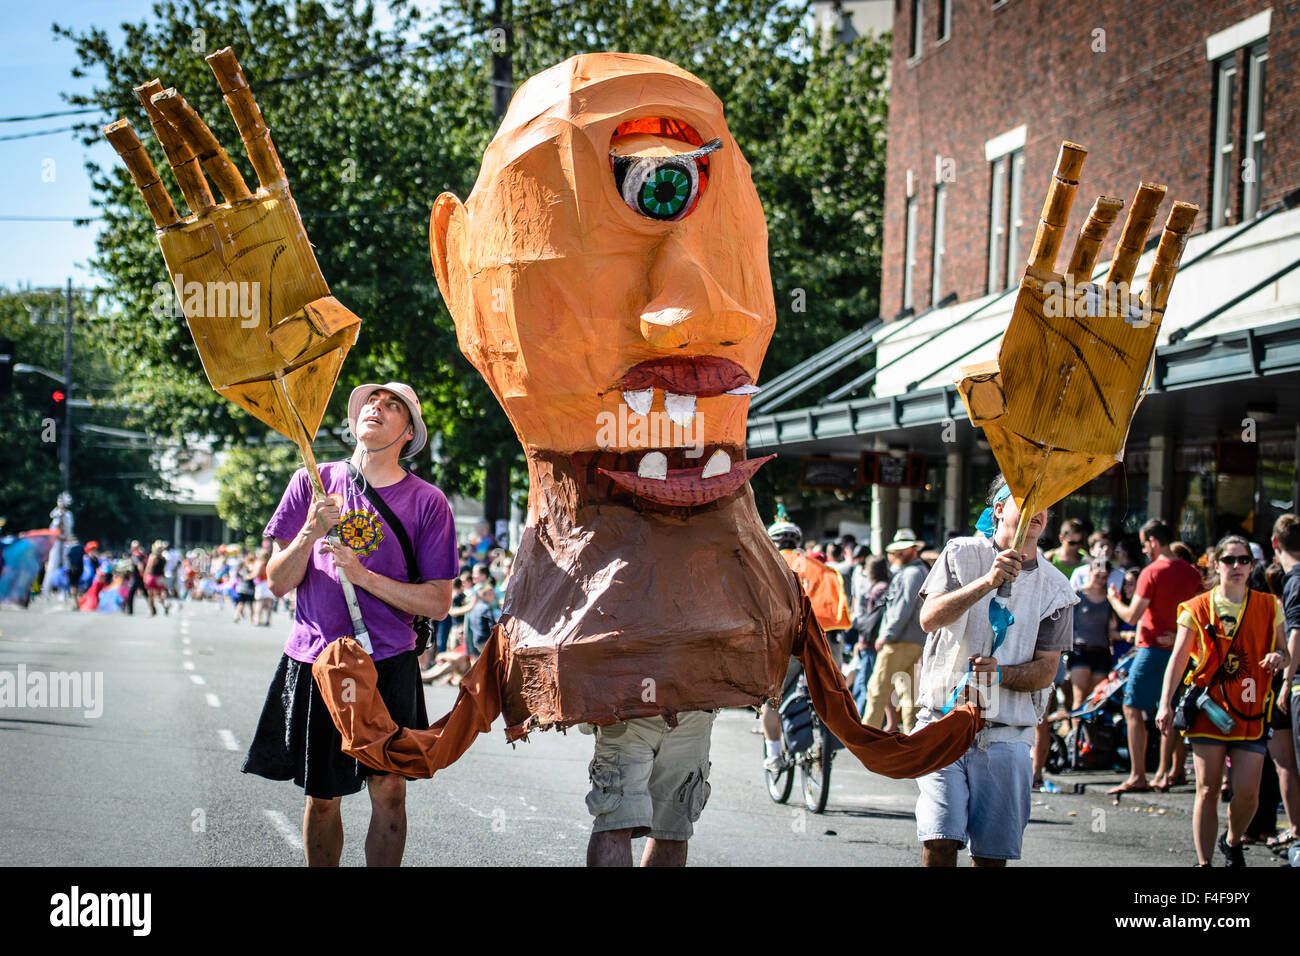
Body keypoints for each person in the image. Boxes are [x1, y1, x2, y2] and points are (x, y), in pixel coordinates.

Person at [242, 382, 456, 867]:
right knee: (322, 796)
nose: (377, 408)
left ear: (409, 433)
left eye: (393, 406)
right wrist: (309, 532)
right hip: (319, 661)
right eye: (370, 403)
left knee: (390, 793)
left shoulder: (427, 502)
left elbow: (439, 603)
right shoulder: (311, 482)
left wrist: (363, 577)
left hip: (389, 663)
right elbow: (277, 581)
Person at [913, 475, 1075, 866]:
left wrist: (1000, 673)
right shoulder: (961, 553)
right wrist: (987, 582)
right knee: (940, 840)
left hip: (1006, 736)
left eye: (1044, 502)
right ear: (999, 509)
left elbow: (1045, 672)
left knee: (990, 857)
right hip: (943, 724)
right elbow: (929, 618)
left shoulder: (1057, 586)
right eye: (1023, 499)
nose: (1035, 510)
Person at [1156, 535, 1290, 866]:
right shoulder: (1197, 607)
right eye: (1229, 560)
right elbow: (1178, 658)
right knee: (1207, 789)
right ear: (1216, 565)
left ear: (1252, 565)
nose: (1237, 566)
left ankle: (1232, 840)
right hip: (1209, 710)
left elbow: (1286, 652)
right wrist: (1164, 703)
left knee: (1247, 793)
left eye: (1244, 560)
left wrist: (1278, 657)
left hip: (1252, 711)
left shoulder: (1269, 605)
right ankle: (1204, 863)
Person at [1107, 518, 1204, 793]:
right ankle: (1164, 772)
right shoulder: (1192, 572)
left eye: (1144, 544)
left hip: (1151, 648)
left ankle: (1138, 774)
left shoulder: (1151, 572)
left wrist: (1114, 598)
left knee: (1132, 707)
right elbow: (1202, 613)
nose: (1144, 550)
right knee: (1171, 708)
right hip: (1181, 649)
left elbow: (1132, 614)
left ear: (1153, 541)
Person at [861, 529, 929, 733]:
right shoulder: (919, 572)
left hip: (899, 641)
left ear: (914, 550)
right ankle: (912, 737)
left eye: (902, 550)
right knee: (909, 695)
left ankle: (867, 736)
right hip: (914, 640)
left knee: (877, 690)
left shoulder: (911, 573)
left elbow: (902, 608)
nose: (896, 555)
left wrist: (886, 635)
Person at [1271, 514, 1300, 852]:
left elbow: (1297, 633)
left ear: (1275, 544)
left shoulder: (1294, 580)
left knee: (1288, 761)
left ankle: (1295, 829)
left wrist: (1287, 680)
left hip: (1295, 683)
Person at [1069, 558, 1115, 746]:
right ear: (1090, 573)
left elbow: (1112, 628)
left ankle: (1091, 742)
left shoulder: (1110, 598)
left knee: (1095, 700)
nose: (1100, 580)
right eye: (1097, 575)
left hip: (1101, 650)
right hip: (1081, 650)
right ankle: (1077, 741)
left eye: (1104, 577)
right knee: (1079, 696)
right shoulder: (1078, 594)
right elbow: (1067, 622)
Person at [850, 555, 890, 714]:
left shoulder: (877, 590)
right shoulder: (887, 586)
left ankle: (862, 726)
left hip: (870, 643)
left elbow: (870, 619)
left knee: (865, 686)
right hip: (877, 642)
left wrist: (861, 641)